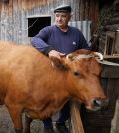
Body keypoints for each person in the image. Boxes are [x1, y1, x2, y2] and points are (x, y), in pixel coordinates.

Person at [31, 5, 90, 133]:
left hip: (68, 77)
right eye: (57, 16)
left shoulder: (76, 33)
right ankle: (47, 126)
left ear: (70, 17)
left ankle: (61, 122)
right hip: (50, 75)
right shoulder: (48, 30)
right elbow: (35, 39)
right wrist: (49, 50)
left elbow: (86, 49)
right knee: (47, 100)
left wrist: (75, 56)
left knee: (67, 102)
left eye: (63, 16)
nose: (59, 19)